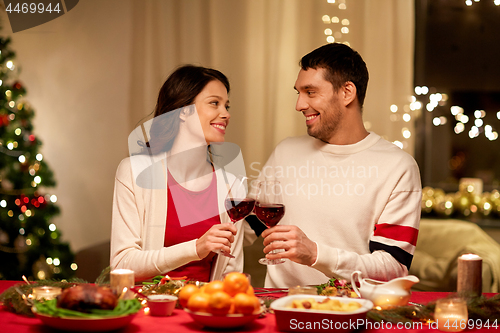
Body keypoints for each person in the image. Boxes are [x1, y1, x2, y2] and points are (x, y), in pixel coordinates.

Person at [251, 43, 422, 288]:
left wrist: (316, 255)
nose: (299, 105)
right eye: (298, 93)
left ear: (347, 93)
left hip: (351, 311)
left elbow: (394, 267)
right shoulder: (286, 151)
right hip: (280, 309)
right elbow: (248, 224)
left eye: (310, 92)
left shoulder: (398, 167)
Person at [110, 65, 248, 282]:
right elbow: (121, 264)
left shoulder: (232, 186)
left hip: (205, 309)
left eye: (226, 105)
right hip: (150, 308)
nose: (226, 114)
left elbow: (230, 274)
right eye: (215, 103)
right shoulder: (134, 172)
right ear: (183, 111)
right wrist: (196, 247)